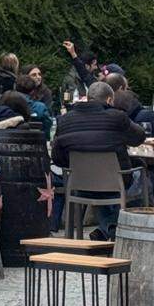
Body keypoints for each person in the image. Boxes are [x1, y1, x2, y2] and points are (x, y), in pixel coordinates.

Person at [52, 82, 145, 238]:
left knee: (101, 185)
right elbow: (139, 137)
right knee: (142, 179)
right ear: (109, 100)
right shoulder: (117, 117)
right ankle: (111, 228)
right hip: (116, 182)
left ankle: (106, 229)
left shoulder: (65, 120)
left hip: (79, 183)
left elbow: (58, 158)